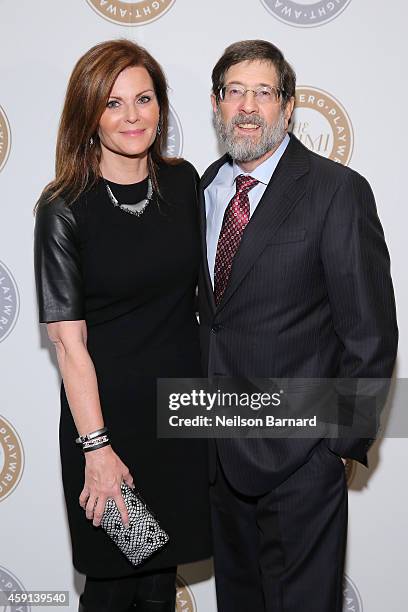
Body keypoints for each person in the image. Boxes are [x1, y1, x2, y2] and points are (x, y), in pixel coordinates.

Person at [198, 40, 398, 612]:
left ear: (288, 108)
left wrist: (336, 447)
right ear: (216, 104)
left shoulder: (337, 192)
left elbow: (371, 334)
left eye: (264, 92)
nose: (248, 106)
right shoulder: (203, 190)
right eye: (235, 91)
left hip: (302, 460)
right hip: (217, 459)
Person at [34, 39, 211, 612]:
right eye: (113, 103)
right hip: (108, 430)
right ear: (89, 113)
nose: (132, 116)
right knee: (114, 588)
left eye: (144, 99)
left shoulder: (184, 186)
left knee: (158, 585)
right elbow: (68, 343)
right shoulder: (65, 206)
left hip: (176, 422)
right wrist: (98, 449)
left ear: (161, 107)